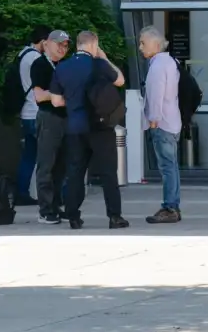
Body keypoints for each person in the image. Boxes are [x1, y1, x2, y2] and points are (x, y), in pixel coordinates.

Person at [49, 30, 128, 229]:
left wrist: (74, 101)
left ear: (77, 45)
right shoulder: (99, 64)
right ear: (94, 44)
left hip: (75, 127)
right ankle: (114, 216)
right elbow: (120, 80)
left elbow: (56, 101)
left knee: (75, 172)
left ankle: (73, 216)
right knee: (108, 172)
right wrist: (104, 57)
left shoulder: (62, 68)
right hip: (100, 126)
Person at [140, 26, 183, 224]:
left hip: (162, 122)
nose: (140, 47)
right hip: (171, 120)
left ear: (156, 45)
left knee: (167, 167)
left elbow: (156, 94)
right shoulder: (170, 62)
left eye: (143, 43)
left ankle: (170, 207)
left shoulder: (158, 66)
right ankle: (172, 205)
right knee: (170, 166)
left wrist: (154, 120)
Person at [31, 29, 71, 225]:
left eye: (65, 45)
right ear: (47, 43)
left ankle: (55, 205)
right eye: (59, 44)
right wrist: (59, 95)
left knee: (61, 166)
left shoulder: (64, 65)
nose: (62, 48)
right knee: (46, 165)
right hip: (48, 117)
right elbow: (39, 95)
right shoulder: (39, 65)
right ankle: (45, 210)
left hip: (65, 118)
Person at [14, 26, 49, 207]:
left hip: (26, 112)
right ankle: (50, 195)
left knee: (29, 155)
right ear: (43, 41)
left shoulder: (23, 54)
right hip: (36, 111)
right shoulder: (36, 58)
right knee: (46, 156)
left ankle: (21, 192)